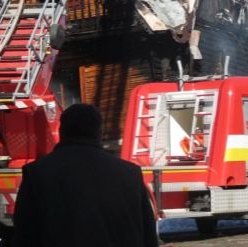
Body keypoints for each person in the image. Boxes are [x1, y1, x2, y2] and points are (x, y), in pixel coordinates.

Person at [13, 103, 159, 247]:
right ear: (99, 133)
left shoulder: (37, 174)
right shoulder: (131, 174)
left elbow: (24, 236)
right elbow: (149, 237)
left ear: (62, 131)